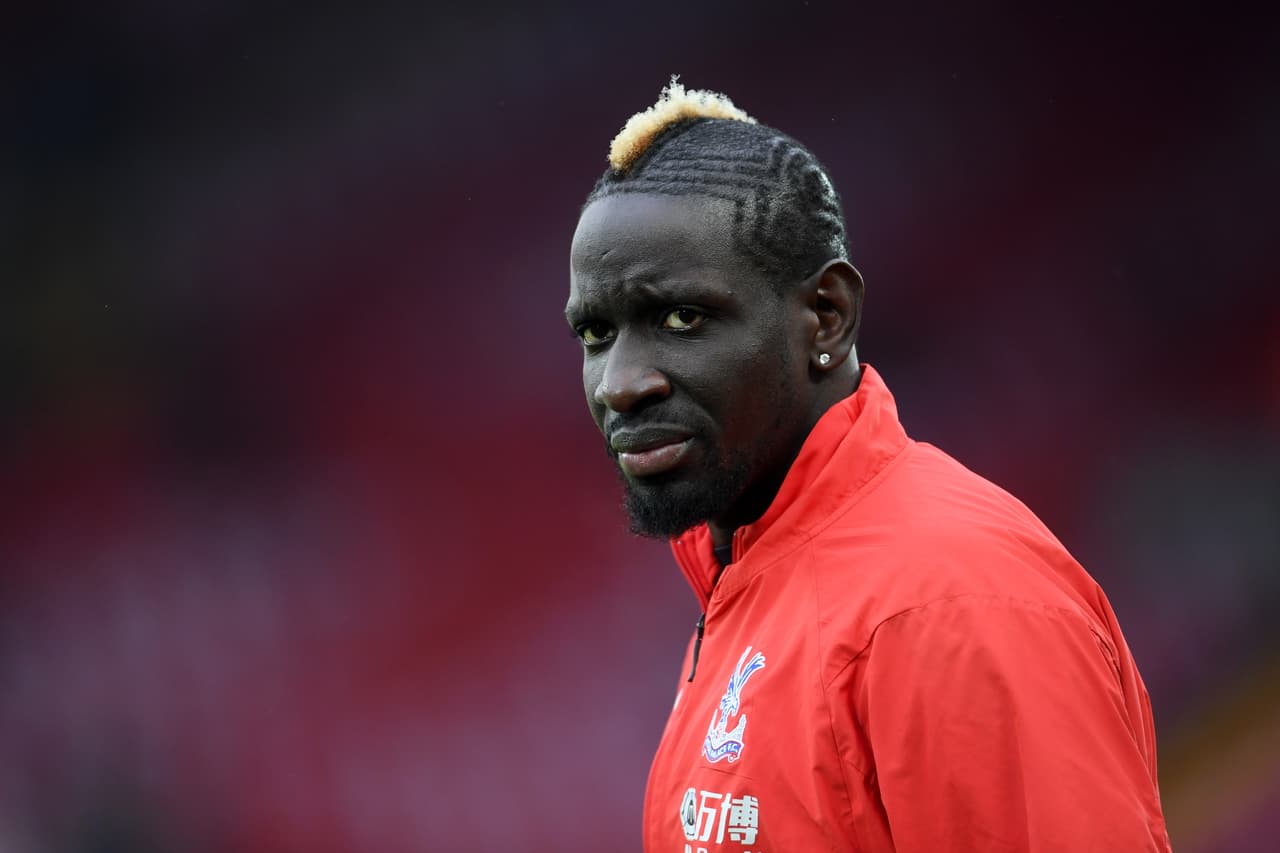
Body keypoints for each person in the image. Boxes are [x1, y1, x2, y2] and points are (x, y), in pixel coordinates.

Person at [565, 78, 1172, 852]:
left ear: (827, 315)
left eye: (681, 317)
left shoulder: (947, 604)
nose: (621, 381)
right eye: (595, 333)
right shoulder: (752, 579)